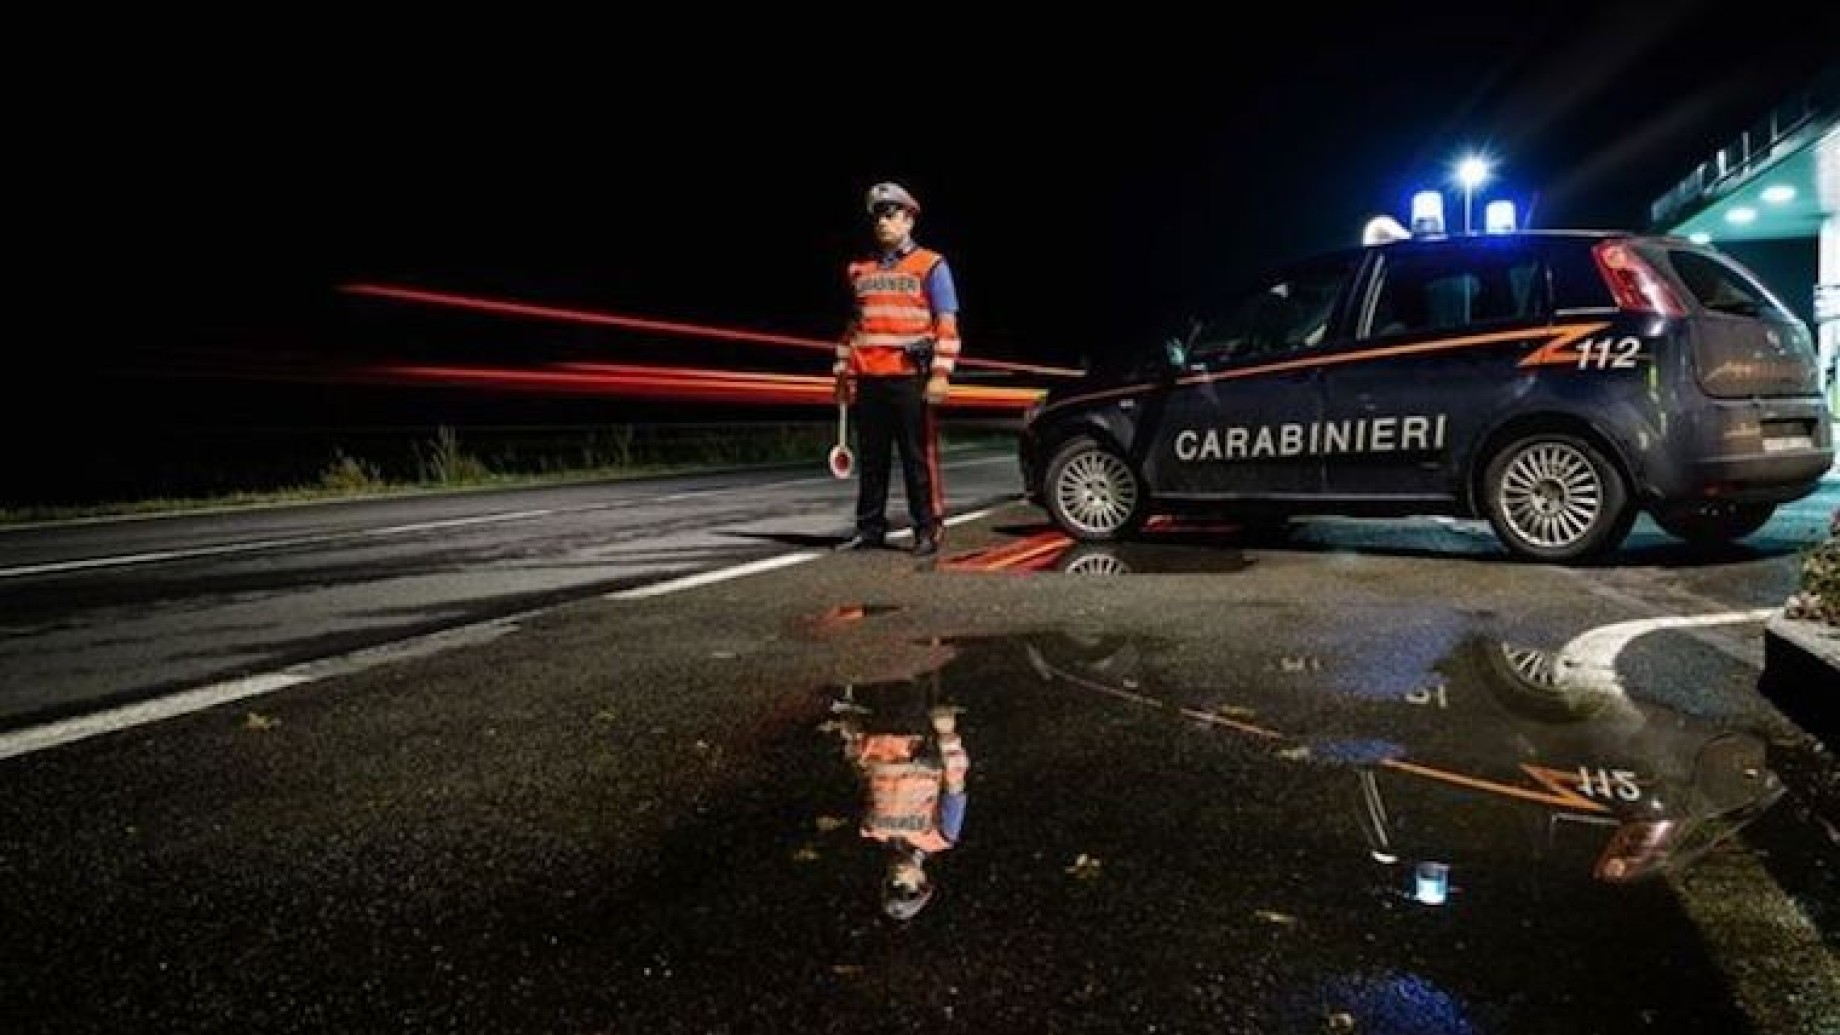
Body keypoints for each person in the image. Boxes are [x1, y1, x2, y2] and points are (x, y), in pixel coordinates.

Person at [833, 181, 963, 557]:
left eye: (890, 215)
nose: (883, 223)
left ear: (909, 220)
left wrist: (940, 374)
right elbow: (854, 327)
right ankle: (870, 528)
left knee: (915, 457)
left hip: (909, 376)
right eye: (878, 217)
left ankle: (926, 528)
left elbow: (947, 324)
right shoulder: (859, 269)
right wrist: (842, 374)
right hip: (870, 377)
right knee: (872, 459)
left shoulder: (931, 265)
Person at [823, 683, 969, 921]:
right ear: (922, 882)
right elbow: (955, 786)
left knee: (872, 675)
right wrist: (947, 734)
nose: (898, 879)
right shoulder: (942, 837)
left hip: (874, 737)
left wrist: (851, 738)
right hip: (914, 735)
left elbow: (863, 779)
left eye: (892, 886)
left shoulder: (872, 830)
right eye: (905, 887)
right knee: (907, 676)